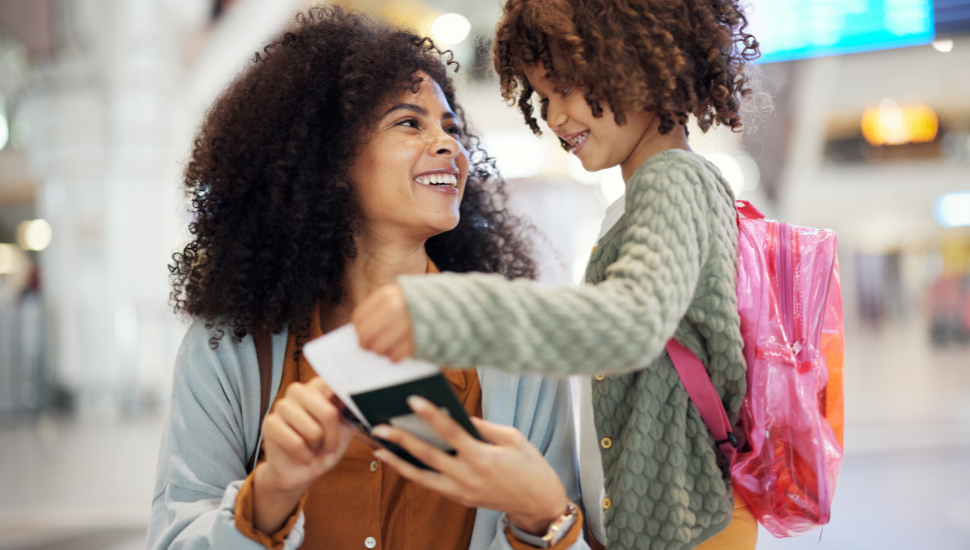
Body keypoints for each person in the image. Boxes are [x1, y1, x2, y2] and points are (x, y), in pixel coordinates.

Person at [149, 7, 591, 550]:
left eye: (451, 127)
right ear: (329, 160)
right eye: (410, 122)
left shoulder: (517, 350)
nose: (449, 144)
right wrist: (271, 493)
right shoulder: (229, 348)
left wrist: (542, 518)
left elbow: (559, 524)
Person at [352, 1, 767, 549]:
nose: (553, 116)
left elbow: (629, 323)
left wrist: (446, 310)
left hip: (690, 533)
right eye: (543, 96)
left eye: (565, 88)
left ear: (637, 64)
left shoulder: (676, 180)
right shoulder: (643, 193)